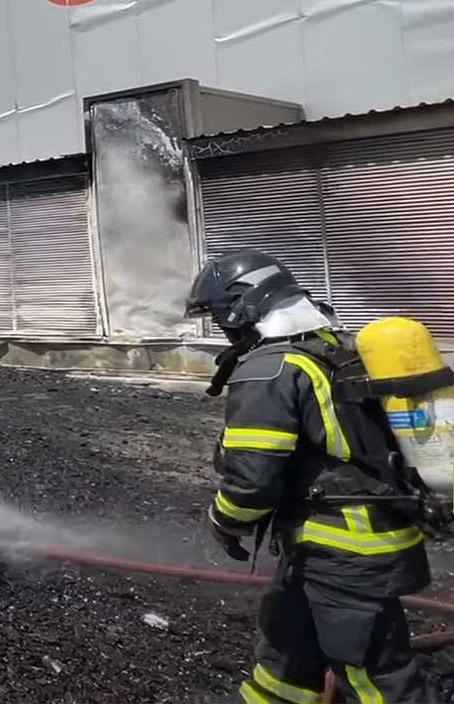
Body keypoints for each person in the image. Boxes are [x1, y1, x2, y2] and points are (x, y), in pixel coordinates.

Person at [186, 250, 436, 703]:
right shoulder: (334, 347)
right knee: (285, 654)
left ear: (244, 307)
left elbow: (251, 482)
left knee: (376, 677)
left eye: (220, 315)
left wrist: (224, 521)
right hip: (335, 544)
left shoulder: (269, 368)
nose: (222, 327)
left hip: (343, 550)